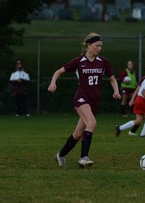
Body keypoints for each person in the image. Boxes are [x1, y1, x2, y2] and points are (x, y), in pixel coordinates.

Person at [48, 32, 121, 168]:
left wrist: (116, 90)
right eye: (97, 46)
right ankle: (83, 158)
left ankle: (60, 155)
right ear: (89, 45)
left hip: (95, 101)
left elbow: (112, 78)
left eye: (101, 46)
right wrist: (53, 83)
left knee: (78, 133)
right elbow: (58, 72)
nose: (99, 49)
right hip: (81, 98)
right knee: (92, 123)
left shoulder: (103, 62)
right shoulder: (78, 61)